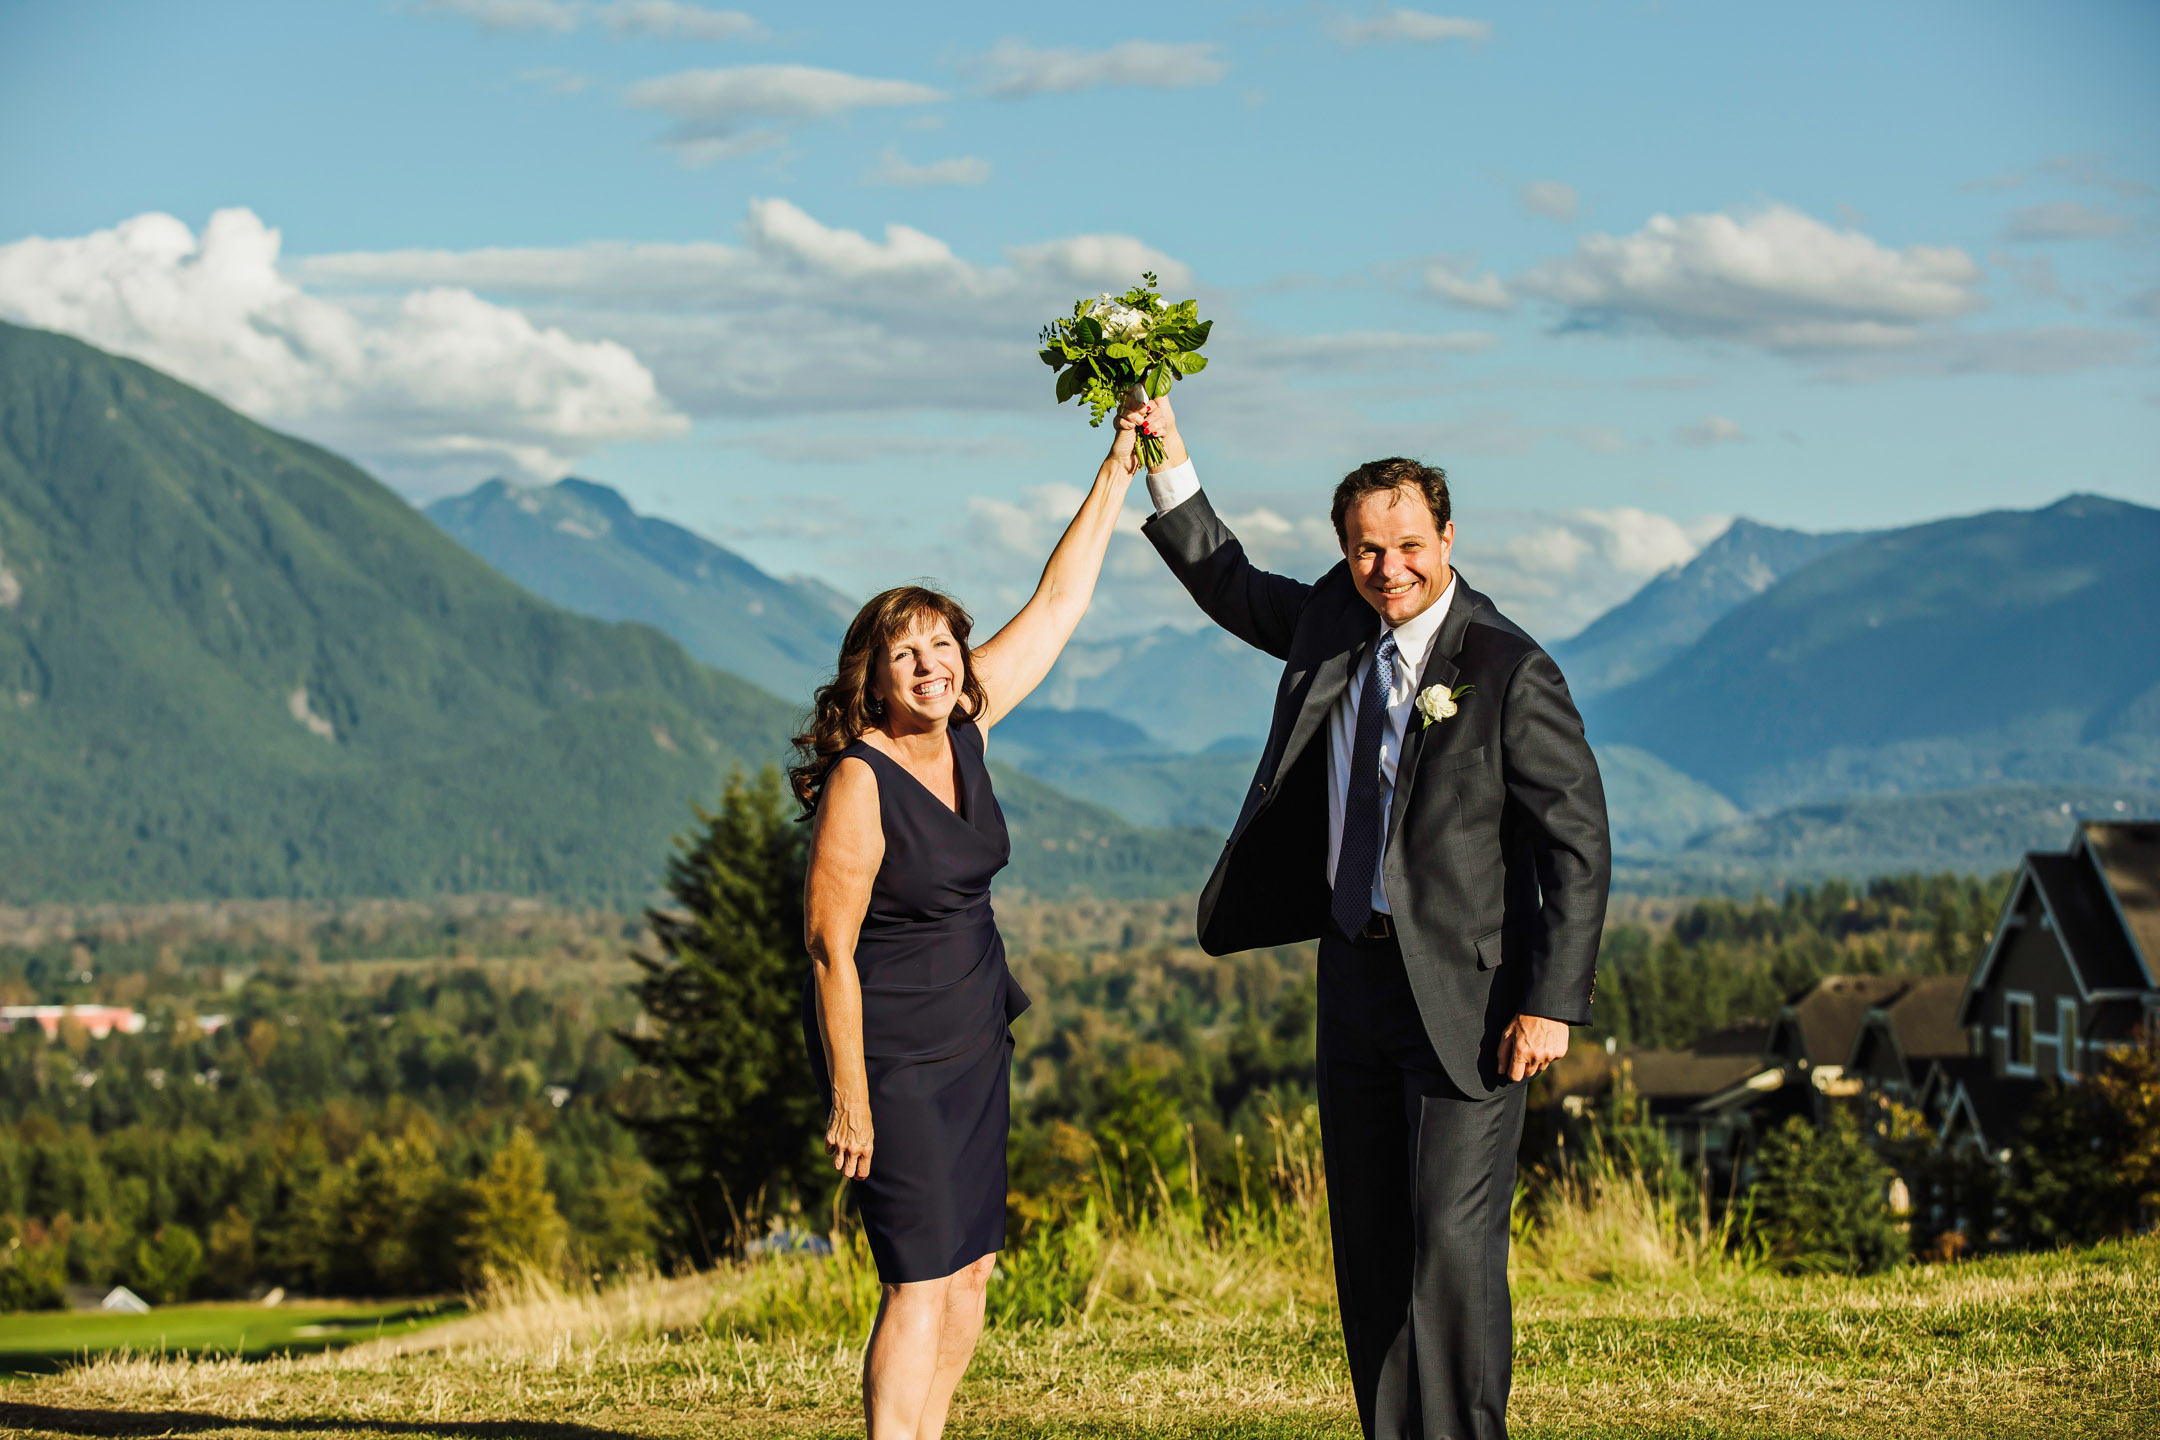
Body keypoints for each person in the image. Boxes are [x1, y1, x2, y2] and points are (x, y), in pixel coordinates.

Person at [1135, 393, 1610, 1440]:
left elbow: (1575, 844)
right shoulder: (1332, 624)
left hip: (1471, 1001)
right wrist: (1166, 455)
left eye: (1406, 545)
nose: (1386, 567)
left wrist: (1550, 1001)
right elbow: (1226, 580)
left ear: (1447, 539)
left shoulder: (1509, 669)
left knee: (1449, 1243)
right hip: (1351, 978)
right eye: (1364, 548)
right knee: (1372, 1242)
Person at [787, 401, 1149, 1440]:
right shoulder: (863, 777)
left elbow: (1061, 601)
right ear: (873, 673)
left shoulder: (971, 730)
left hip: (973, 1040)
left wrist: (1118, 465)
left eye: (942, 644)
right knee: (915, 1276)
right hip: (892, 1056)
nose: (932, 664)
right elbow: (828, 947)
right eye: (906, 654)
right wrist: (850, 1094)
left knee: (973, 1269)